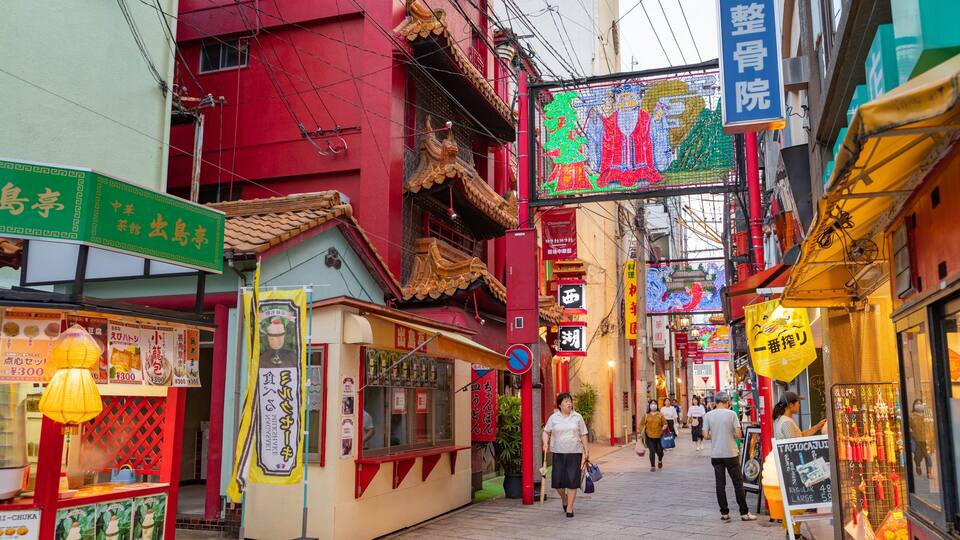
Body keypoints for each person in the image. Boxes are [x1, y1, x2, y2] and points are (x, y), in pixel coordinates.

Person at [772, 391, 825, 539]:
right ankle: (793, 533)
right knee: (797, 499)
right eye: (798, 402)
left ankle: (793, 532)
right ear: (790, 405)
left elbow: (799, 436)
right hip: (793, 468)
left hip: (791, 467)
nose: (799, 405)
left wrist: (816, 427)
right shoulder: (786, 422)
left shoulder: (784, 420)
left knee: (796, 500)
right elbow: (795, 445)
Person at [702, 392, 757, 522]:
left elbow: (705, 436)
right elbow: (738, 434)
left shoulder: (708, 415)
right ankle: (744, 513)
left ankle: (724, 512)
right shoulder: (731, 414)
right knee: (738, 483)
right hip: (731, 453)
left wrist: (715, 436)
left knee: (720, 484)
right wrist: (730, 434)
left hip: (716, 454)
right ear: (727, 402)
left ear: (716, 402)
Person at [542, 392, 589, 518]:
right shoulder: (553, 418)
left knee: (572, 481)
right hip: (558, 452)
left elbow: (583, 434)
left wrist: (586, 450)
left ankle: (569, 508)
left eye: (570, 401)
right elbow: (546, 432)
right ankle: (564, 498)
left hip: (575, 453)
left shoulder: (578, 417)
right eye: (566, 401)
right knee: (558, 483)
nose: (569, 403)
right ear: (559, 405)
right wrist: (545, 443)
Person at [639, 400, 667, 471]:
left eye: (655, 404)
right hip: (649, 436)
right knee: (652, 451)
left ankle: (660, 460)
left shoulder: (660, 415)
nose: (653, 405)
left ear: (657, 405)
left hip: (659, 436)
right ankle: (653, 466)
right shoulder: (646, 415)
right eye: (652, 404)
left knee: (660, 451)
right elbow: (641, 424)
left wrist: (664, 426)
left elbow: (665, 423)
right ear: (649, 405)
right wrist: (640, 433)